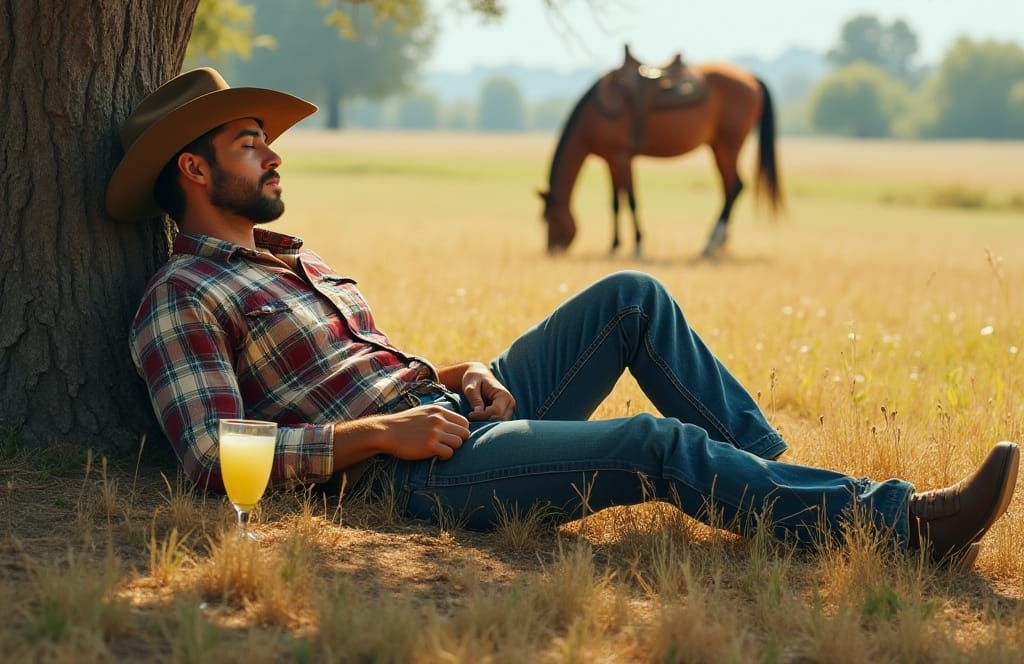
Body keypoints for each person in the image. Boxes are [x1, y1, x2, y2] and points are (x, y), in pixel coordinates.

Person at [108, 68, 1019, 567]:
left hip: (443, 415)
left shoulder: (296, 259)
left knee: (633, 295)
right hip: (403, 480)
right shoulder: (184, 297)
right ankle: (895, 528)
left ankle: (778, 488)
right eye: (248, 142)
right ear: (193, 172)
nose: (272, 157)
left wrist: (460, 372)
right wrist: (386, 432)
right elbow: (211, 457)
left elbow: (369, 369)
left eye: (265, 139)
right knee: (654, 446)